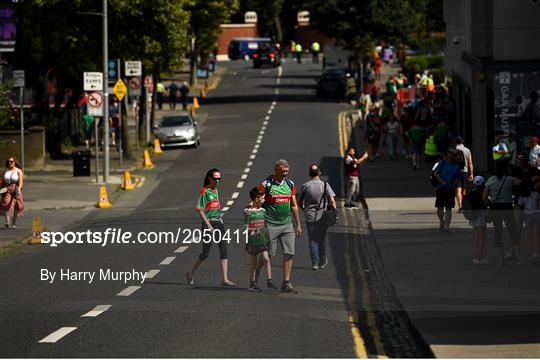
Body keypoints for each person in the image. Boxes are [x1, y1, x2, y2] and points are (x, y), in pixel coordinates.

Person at [186, 168, 236, 286]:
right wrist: (208, 225)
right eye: (215, 178)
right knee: (205, 253)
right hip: (208, 224)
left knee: (223, 250)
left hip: (218, 223)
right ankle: (190, 273)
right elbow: (200, 209)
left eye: (219, 178)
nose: (218, 181)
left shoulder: (216, 190)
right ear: (209, 178)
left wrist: (220, 220)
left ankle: (225, 279)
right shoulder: (205, 191)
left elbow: (216, 207)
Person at [258, 160, 302, 293]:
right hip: (270, 225)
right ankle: (256, 272)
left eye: (287, 172)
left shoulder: (290, 184)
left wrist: (298, 224)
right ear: (275, 170)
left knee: (289, 253)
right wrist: (251, 210)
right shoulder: (266, 185)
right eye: (282, 172)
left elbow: (294, 205)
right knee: (270, 254)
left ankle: (286, 282)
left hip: (287, 224)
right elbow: (257, 200)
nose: (285, 174)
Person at [483, 160, 524, 266]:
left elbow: (484, 197)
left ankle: (500, 259)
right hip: (507, 207)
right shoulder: (509, 179)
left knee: (498, 232)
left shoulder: (490, 180)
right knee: (512, 231)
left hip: (496, 208)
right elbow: (520, 182)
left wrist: (491, 204)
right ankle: (519, 258)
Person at [298, 165, 337, 270]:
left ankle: (315, 262)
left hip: (310, 216)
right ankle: (322, 260)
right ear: (319, 173)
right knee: (322, 239)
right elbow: (332, 201)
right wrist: (334, 214)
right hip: (323, 216)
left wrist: (305, 209)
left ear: (309, 174)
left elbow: (299, 202)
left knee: (312, 239)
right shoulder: (325, 185)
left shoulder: (305, 186)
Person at [244, 187, 277, 292]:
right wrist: (253, 230)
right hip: (253, 240)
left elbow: (265, 223)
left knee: (266, 259)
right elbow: (246, 226)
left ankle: (269, 281)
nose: (264, 200)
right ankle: (252, 283)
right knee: (253, 262)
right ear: (256, 199)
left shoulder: (263, 210)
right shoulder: (249, 212)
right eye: (262, 198)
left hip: (263, 239)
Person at [433, 149, 462, 235]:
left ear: (455, 157)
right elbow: (436, 173)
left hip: (450, 189)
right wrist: (441, 181)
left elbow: (458, 179)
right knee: (440, 208)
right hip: (440, 188)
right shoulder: (442, 163)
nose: (450, 155)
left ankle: (446, 227)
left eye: (452, 154)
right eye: (449, 153)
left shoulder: (457, 167)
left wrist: (453, 184)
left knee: (449, 208)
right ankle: (442, 221)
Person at [466, 176, 489, 264]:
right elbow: (486, 202)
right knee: (482, 238)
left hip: (472, 216)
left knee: (477, 238)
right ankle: (479, 258)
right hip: (480, 216)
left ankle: (476, 257)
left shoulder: (471, 192)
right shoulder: (481, 192)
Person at [0, 157, 24, 229]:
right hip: (7, 189)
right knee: (6, 204)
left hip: (16, 189)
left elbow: (20, 181)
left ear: (14, 162)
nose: (10, 163)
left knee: (16, 206)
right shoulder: (5, 171)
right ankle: (7, 222)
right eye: (8, 161)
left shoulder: (18, 171)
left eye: (11, 161)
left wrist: (19, 188)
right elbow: (2, 181)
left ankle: (13, 223)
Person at [455, 136, 474, 211]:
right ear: (462, 141)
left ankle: (460, 207)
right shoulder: (467, 150)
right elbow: (470, 163)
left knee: (458, 189)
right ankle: (464, 205)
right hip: (465, 171)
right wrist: (471, 174)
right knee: (464, 189)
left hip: (456, 172)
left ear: (456, 142)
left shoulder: (453, 150)